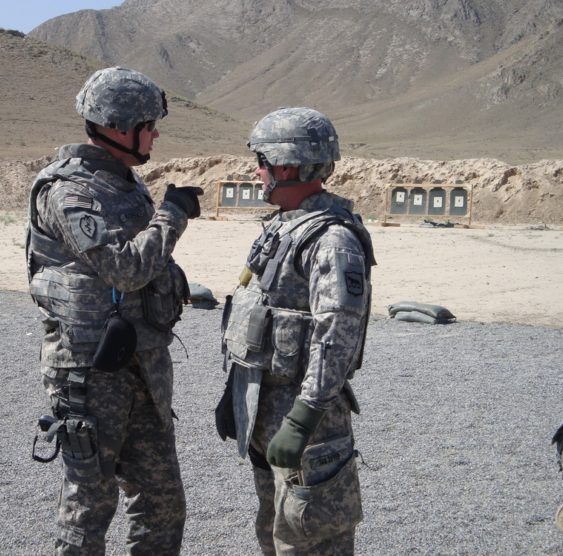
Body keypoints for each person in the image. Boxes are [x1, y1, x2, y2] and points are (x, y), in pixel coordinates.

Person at [26, 66, 202, 555]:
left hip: (143, 368)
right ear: (119, 127)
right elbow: (125, 270)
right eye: (149, 124)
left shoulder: (126, 183)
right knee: (90, 506)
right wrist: (173, 216)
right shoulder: (69, 190)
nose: (156, 133)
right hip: (90, 372)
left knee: (164, 502)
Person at [216, 107, 376, 555]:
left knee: (310, 541)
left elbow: (337, 333)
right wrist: (235, 397)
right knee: (274, 535)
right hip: (268, 419)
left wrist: (303, 418)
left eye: (262, 162)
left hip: (309, 429)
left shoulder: (331, 240)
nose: (257, 171)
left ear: (286, 166)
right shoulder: (280, 229)